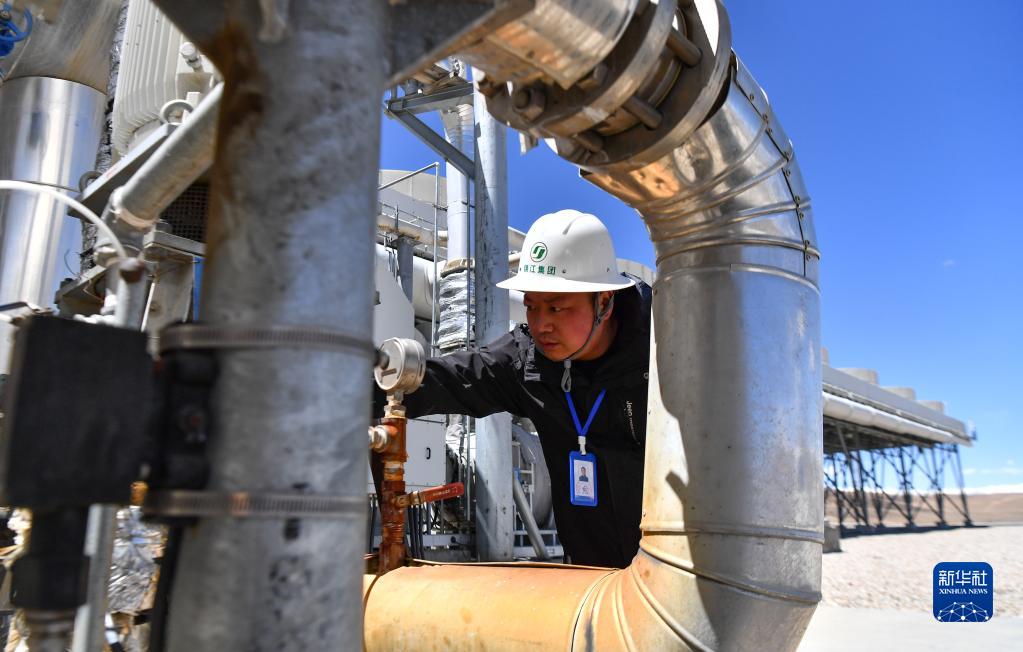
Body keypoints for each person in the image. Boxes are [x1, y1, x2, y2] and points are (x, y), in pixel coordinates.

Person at [382, 209, 650, 568]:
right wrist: (370, 385)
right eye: (531, 307)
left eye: (556, 307)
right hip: (592, 576)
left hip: (680, 578)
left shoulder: (667, 354)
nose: (541, 325)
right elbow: (456, 377)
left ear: (603, 301)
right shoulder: (529, 362)